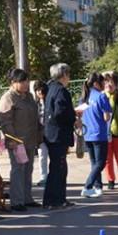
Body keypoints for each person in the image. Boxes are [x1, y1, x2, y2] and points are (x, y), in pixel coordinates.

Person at [0, 68, 42, 211]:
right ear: (13, 82)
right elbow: (6, 122)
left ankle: (27, 198)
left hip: (30, 139)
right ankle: (16, 201)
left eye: (26, 80)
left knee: (28, 169)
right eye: (22, 81)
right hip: (16, 141)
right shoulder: (8, 98)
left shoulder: (29, 96)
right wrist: (12, 139)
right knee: (18, 169)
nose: (26, 83)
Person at [42, 63, 77, 209]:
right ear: (63, 75)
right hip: (58, 134)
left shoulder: (50, 88)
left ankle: (55, 198)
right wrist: (74, 117)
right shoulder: (61, 91)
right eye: (68, 74)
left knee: (58, 167)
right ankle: (54, 199)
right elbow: (60, 113)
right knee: (58, 168)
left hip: (51, 134)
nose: (69, 78)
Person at [79, 73, 112, 198]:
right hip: (99, 134)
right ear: (96, 83)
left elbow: (79, 114)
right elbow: (106, 117)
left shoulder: (84, 97)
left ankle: (98, 187)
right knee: (101, 162)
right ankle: (88, 186)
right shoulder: (101, 97)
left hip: (88, 134)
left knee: (94, 162)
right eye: (103, 82)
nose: (105, 85)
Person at [33, 80, 49, 186]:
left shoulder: (49, 102)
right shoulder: (35, 104)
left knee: (52, 156)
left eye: (41, 90)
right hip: (40, 135)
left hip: (50, 133)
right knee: (42, 156)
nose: (39, 92)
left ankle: (52, 176)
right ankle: (43, 176)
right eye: (37, 90)